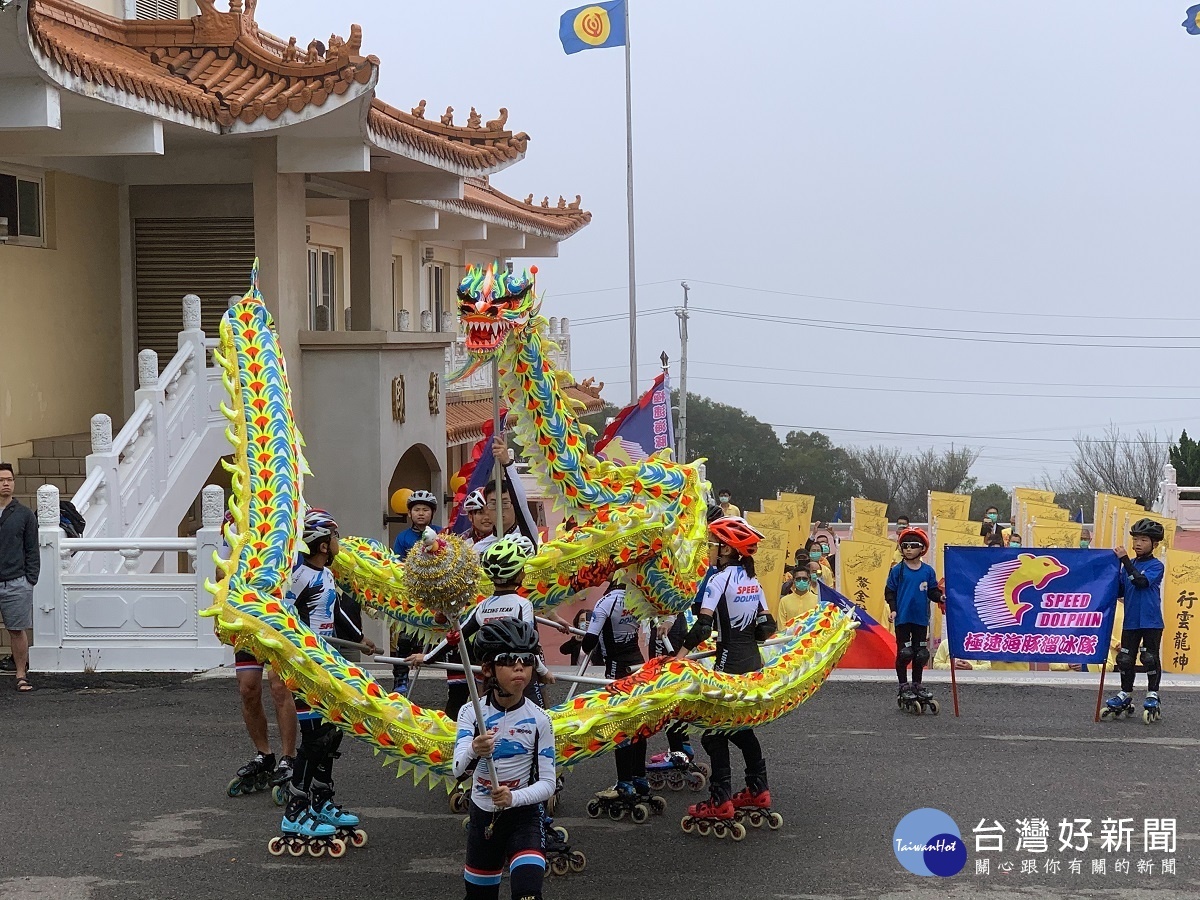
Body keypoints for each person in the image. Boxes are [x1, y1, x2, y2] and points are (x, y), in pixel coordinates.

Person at [277, 508, 376, 852]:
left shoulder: (326, 575)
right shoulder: (300, 575)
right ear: (321, 543)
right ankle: (296, 809)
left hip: (327, 662)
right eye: (334, 537)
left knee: (332, 732)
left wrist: (361, 640)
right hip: (305, 666)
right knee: (315, 738)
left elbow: (335, 614)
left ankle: (321, 800)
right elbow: (285, 616)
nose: (338, 542)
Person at [676, 516, 777, 828]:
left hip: (728, 662)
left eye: (716, 544)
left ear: (728, 549)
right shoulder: (753, 580)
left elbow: (703, 626)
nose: (712, 549)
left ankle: (720, 800)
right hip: (753, 664)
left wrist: (678, 656)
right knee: (741, 728)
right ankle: (758, 790)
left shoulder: (719, 580)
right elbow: (767, 627)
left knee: (713, 733)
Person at [455, 618, 555, 900]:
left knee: (528, 894)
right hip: (483, 816)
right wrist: (474, 749)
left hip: (524, 816)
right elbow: (457, 771)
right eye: (508, 660)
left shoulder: (540, 720)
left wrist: (515, 798)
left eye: (526, 659)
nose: (519, 666)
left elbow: (548, 784)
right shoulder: (471, 713)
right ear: (488, 669)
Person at [581, 576, 652, 813]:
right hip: (638, 665)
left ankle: (625, 783)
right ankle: (640, 777)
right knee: (639, 722)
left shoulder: (605, 602)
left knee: (620, 724)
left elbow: (589, 643)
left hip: (617, 669)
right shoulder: (637, 598)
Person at [1104, 518, 1166, 721]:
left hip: (1150, 620)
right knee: (1125, 659)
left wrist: (1124, 561)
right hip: (1131, 620)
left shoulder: (1156, 565)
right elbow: (1121, 589)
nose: (1138, 543)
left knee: (1149, 658)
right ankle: (1125, 693)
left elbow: (1140, 582)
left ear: (1154, 544)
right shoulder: (1128, 565)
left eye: (1144, 540)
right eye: (1136, 539)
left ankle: (1152, 694)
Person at [885, 527, 943, 709]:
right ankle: (903, 685)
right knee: (905, 653)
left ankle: (917, 684)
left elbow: (933, 591)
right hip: (903, 618)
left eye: (913, 546)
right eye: (905, 546)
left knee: (920, 654)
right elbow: (890, 592)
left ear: (922, 549)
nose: (909, 549)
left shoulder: (928, 571)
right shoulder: (897, 570)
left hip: (920, 619)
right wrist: (893, 610)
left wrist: (940, 597)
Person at [0, 463, 37, 693]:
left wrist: (29, 579)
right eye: (1, 479)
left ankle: (21, 674)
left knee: (16, 629)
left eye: (9, 479)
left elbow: (32, 549)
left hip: (16, 581)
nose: (5, 483)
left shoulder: (23, 514)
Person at [392, 490, 439, 559]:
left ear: (433, 512)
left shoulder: (442, 533)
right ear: (409, 513)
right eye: (416, 510)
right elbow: (397, 563)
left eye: (425, 510)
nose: (421, 513)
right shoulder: (402, 538)